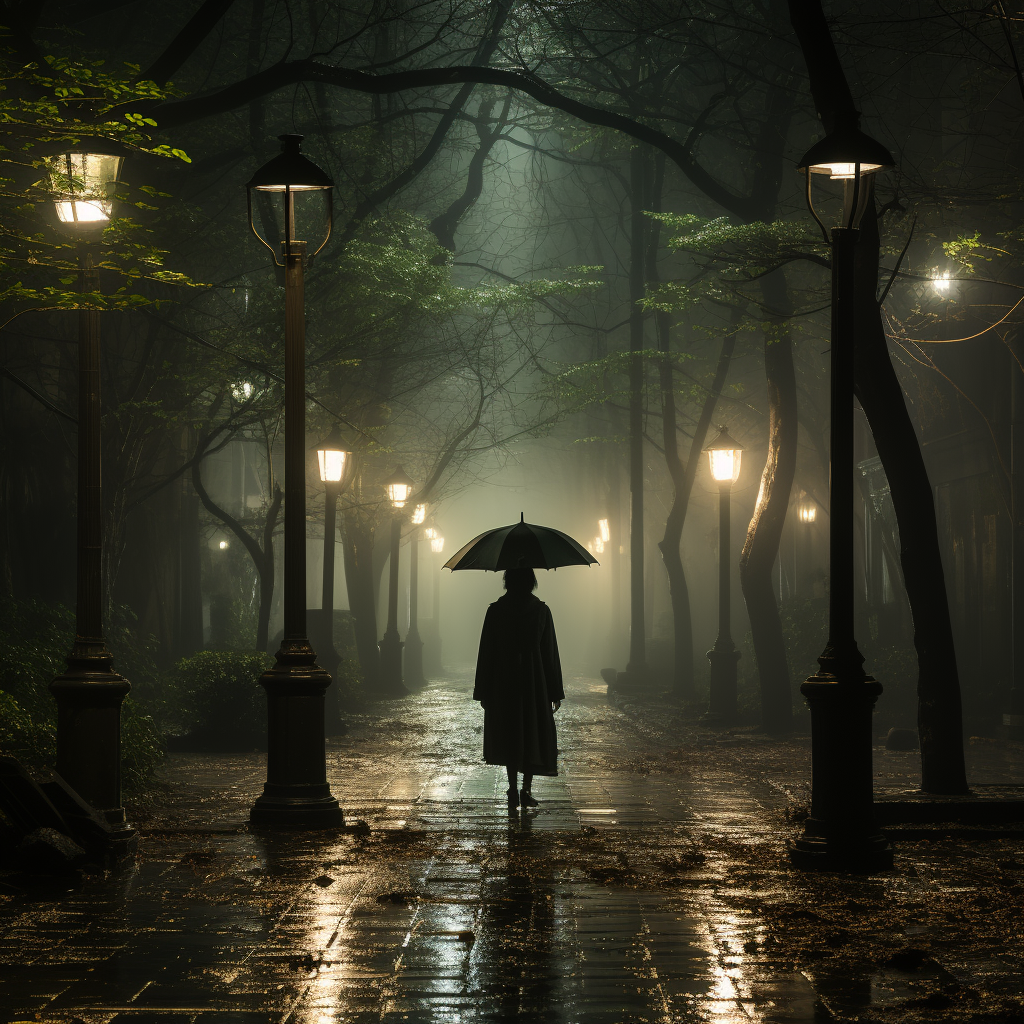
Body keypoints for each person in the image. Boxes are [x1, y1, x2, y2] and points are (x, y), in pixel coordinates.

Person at [473, 566, 564, 810]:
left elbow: (487, 652)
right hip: (534, 682)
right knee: (531, 732)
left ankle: (512, 788)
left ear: (507, 581)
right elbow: (549, 654)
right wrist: (555, 691)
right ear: (531, 581)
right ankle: (526, 789)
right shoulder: (541, 611)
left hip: (504, 680)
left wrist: (483, 690)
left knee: (510, 733)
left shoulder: (496, 611)